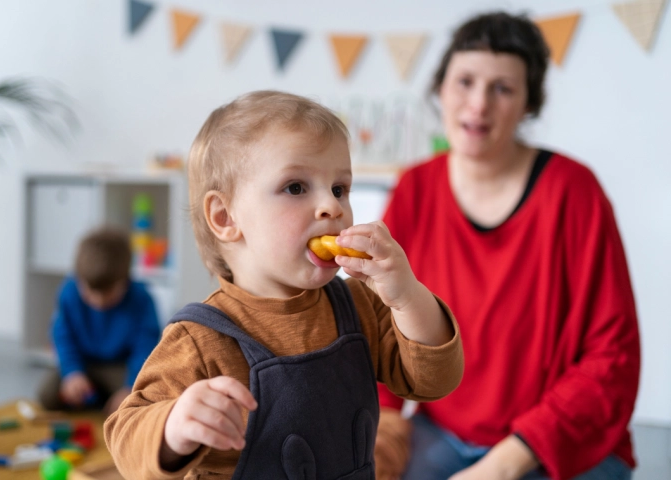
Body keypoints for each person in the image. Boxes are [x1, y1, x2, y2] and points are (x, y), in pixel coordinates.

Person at [103, 90, 465, 479]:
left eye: (340, 188)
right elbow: (125, 436)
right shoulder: (199, 340)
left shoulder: (357, 306)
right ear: (225, 217)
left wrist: (408, 296)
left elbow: (434, 380)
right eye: (296, 187)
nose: (333, 206)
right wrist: (173, 427)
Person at [374, 11, 641, 480]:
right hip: (443, 431)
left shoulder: (575, 193)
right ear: (440, 89)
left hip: (557, 441)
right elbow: (380, 322)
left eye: (502, 88)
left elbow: (612, 358)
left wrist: (504, 464)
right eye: (465, 82)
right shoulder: (415, 188)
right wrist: (382, 426)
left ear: (528, 105)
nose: (478, 105)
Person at [38, 226, 162, 416]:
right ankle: (97, 400)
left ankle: (105, 400)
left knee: (146, 396)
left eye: (108, 293)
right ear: (78, 279)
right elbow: (63, 336)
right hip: (84, 365)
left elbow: (145, 349)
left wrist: (130, 387)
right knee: (47, 394)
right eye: (89, 291)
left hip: (120, 368)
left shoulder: (141, 299)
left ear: (125, 280)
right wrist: (72, 372)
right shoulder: (69, 292)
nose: (98, 301)